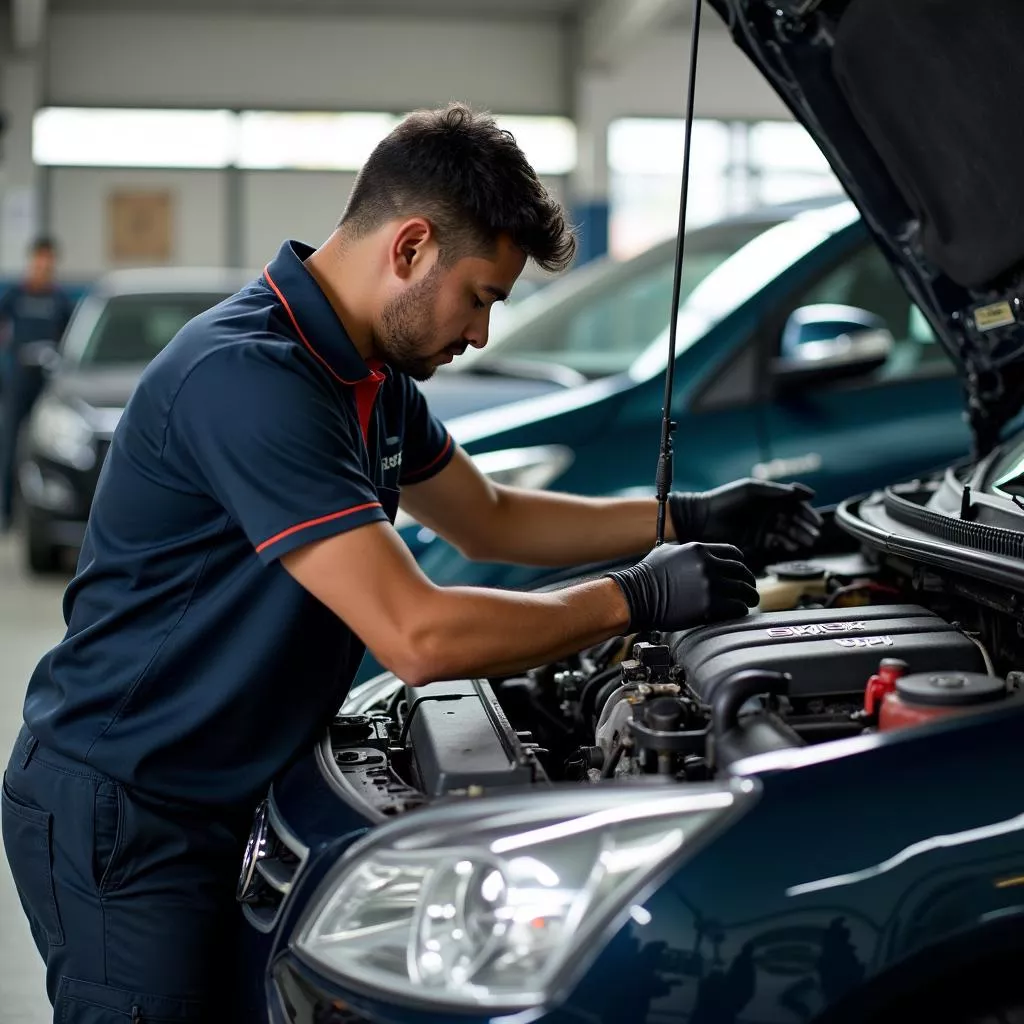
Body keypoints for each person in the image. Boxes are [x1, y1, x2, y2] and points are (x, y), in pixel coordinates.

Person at [1, 104, 821, 1021]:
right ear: (412, 247)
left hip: (221, 787)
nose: (477, 334)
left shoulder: (370, 374)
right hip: (129, 804)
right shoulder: (248, 378)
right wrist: (633, 600)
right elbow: (419, 635)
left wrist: (684, 514)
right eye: (480, 297)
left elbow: (489, 518)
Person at [0, 237, 74, 530]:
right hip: (18, 381)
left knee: (47, 445)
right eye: (39, 260)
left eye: (48, 261)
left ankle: (45, 511)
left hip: (48, 384)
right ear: (32, 261)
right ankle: (6, 512)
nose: (43, 266)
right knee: (9, 444)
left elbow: (70, 339)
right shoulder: (15, 296)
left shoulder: (60, 300)